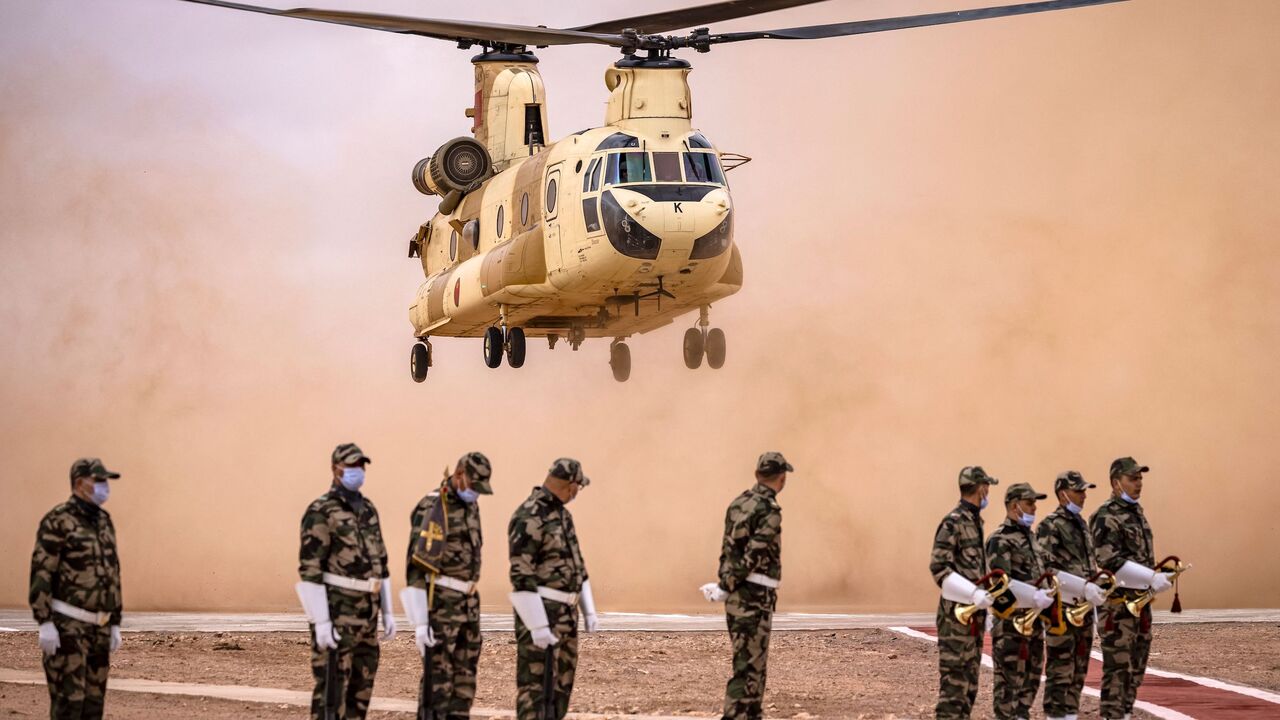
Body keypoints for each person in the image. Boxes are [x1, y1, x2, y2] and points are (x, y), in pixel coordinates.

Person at [296, 443, 395, 720]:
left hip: (367, 616)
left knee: (360, 694)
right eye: (351, 466)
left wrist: (387, 612)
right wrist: (321, 622)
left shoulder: (368, 509)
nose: (357, 472)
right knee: (331, 693)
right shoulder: (321, 510)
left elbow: (381, 562)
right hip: (337, 613)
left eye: (360, 466)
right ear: (335, 469)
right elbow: (310, 569)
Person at [30, 458, 125, 720]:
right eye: (99, 481)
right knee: (69, 706)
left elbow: (112, 572)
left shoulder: (104, 521)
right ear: (80, 483)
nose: (104, 487)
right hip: (68, 627)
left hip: (99, 628)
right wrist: (44, 622)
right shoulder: (58, 520)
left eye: (106, 481)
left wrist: (115, 621)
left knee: (93, 707)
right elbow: (42, 571)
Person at [700, 451, 792, 720]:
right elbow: (754, 554)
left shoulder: (738, 503)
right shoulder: (769, 511)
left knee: (752, 667)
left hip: (740, 596)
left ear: (757, 474)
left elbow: (727, 549)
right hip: (754, 596)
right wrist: (727, 585)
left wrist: (724, 585)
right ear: (782, 478)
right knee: (750, 668)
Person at [403, 452, 492, 719]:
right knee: (437, 687)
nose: (476, 493)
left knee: (463, 686)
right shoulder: (433, 506)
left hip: (467, 606)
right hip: (440, 606)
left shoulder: (470, 506)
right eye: (473, 486)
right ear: (458, 475)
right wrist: (420, 623)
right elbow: (415, 566)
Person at [507, 458, 599, 719]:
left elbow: (577, 566)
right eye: (578, 487)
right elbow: (521, 574)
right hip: (541, 611)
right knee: (535, 688)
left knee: (561, 686)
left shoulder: (562, 515)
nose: (578, 492)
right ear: (570, 486)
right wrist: (537, 625)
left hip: (567, 615)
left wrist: (588, 611)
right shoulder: (528, 516)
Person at [1091, 457, 1169, 720]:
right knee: (1118, 669)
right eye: (1132, 478)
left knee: (1136, 669)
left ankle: (1123, 713)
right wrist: (1149, 576)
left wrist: (1156, 577)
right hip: (1117, 608)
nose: (1138, 483)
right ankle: (1112, 716)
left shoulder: (1137, 513)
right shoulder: (1105, 516)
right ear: (1116, 483)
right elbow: (1108, 561)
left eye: (1140, 478)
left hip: (1140, 605)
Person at [929, 466, 998, 720]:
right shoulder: (954, 522)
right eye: (987, 487)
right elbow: (939, 568)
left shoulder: (974, 522)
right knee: (954, 691)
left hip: (973, 618)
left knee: (969, 687)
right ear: (980, 488)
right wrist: (973, 594)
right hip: (955, 620)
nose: (988, 492)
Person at [1037, 471, 1106, 720]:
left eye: (1084, 490)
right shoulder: (1050, 526)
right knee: (1060, 670)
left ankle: (1069, 715)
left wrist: (1097, 583)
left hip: (1084, 610)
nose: (1084, 495)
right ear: (1063, 494)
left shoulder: (1082, 525)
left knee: (1079, 670)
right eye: (1079, 490)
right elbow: (1045, 569)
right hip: (1062, 610)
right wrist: (1082, 586)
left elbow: (1087, 565)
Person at [986, 483, 1054, 720]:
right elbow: (999, 583)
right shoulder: (1000, 539)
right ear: (1014, 506)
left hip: (1034, 623)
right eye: (1029, 503)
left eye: (1035, 503)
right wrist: (1033, 595)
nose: (1034, 507)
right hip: (1010, 625)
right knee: (1008, 685)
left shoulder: (1032, 539)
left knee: (1031, 679)